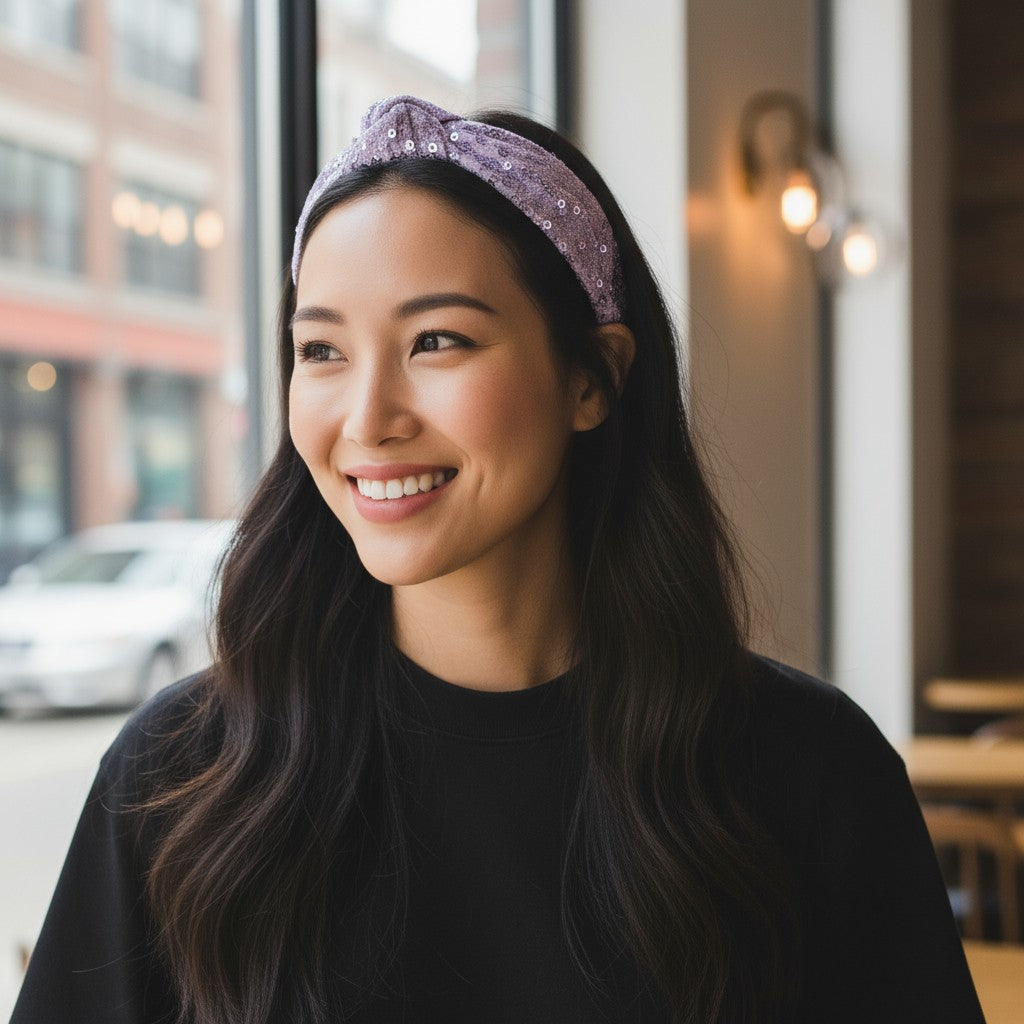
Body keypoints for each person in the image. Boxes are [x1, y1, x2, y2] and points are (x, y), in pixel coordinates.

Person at [12, 95, 984, 1024]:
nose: (367, 421)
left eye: (436, 341)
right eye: (322, 351)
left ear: (591, 378)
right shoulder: (183, 776)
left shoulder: (809, 771)